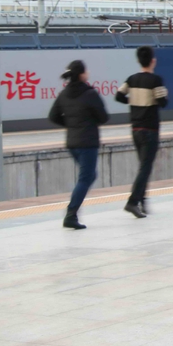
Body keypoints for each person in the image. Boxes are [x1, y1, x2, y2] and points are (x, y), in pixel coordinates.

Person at [49, 60, 109, 230]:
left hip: (72, 143)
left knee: (89, 175)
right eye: (86, 70)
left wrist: (71, 125)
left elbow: (53, 116)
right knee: (85, 178)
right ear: (82, 74)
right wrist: (89, 123)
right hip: (88, 142)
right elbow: (103, 117)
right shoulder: (90, 94)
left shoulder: (64, 94)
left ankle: (72, 212)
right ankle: (71, 214)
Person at [115, 46, 168, 218]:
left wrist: (132, 100)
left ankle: (143, 201)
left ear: (138, 60)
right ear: (153, 61)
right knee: (145, 168)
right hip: (150, 128)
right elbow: (163, 102)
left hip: (135, 128)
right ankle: (132, 202)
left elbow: (118, 96)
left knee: (143, 166)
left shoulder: (131, 79)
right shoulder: (155, 80)